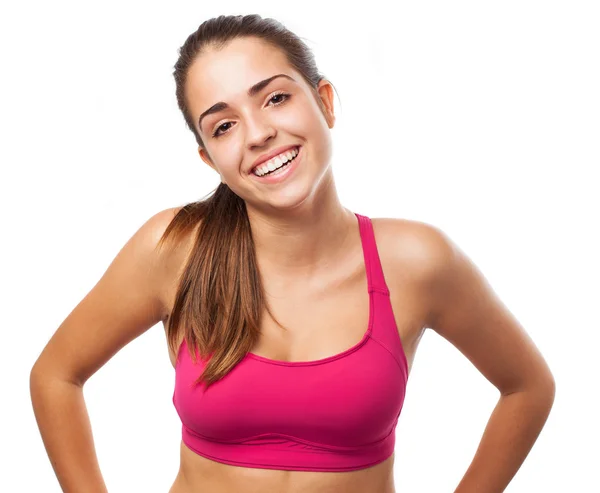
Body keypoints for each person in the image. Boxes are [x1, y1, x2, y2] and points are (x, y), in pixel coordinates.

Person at [30, 13, 555, 493]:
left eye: (275, 98)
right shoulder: (175, 249)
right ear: (208, 157)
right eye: (224, 125)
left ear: (324, 101)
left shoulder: (418, 261)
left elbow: (527, 387)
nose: (258, 133)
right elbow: (56, 375)